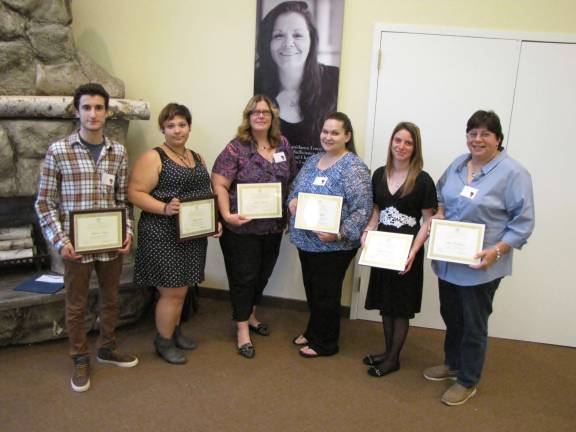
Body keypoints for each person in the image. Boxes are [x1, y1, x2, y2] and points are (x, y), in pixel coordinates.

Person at [423, 110, 535, 406]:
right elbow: (440, 195)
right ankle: (453, 363)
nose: (477, 139)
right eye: (472, 133)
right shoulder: (458, 164)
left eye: (485, 134)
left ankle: (468, 379)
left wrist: (496, 251)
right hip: (448, 260)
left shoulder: (514, 173)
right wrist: (441, 213)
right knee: (452, 315)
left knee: (474, 323)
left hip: (480, 265)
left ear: (498, 138)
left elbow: (523, 223)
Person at [35, 83, 138, 393]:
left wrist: (127, 232)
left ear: (106, 112)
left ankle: (107, 347)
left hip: (110, 245)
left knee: (111, 300)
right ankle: (79, 356)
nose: (93, 114)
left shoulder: (117, 151)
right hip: (74, 247)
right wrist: (59, 241)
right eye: (87, 108)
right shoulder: (59, 151)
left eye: (99, 108)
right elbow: (44, 203)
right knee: (76, 305)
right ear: (77, 111)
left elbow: (122, 200)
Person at [128, 103, 221, 365]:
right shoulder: (153, 157)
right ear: (162, 129)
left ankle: (174, 331)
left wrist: (213, 222)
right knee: (172, 292)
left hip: (191, 235)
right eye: (170, 125)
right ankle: (163, 340)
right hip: (161, 233)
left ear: (189, 126)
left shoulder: (197, 157)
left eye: (182, 124)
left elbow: (204, 196)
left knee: (183, 289)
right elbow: (134, 193)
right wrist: (164, 208)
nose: (177, 130)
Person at [212, 94, 297, 359]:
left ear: (273, 117)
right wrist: (226, 215)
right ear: (248, 117)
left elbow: (292, 179)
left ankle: (250, 315)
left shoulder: (283, 144)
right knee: (244, 279)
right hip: (241, 229)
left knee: (262, 275)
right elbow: (220, 184)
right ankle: (241, 330)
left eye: (266, 112)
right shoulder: (236, 148)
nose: (260, 116)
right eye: (255, 112)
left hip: (272, 228)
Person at [288, 112, 372, 357]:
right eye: (325, 131)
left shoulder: (354, 167)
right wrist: (292, 202)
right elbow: (294, 190)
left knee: (327, 294)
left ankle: (326, 343)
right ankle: (314, 330)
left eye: (335, 132)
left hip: (334, 246)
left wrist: (339, 234)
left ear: (347, 136)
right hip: (307, 242)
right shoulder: (313, 160)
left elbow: (362, 210)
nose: (328, 136)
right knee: (313, 290)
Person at [362, 122, 437, 377]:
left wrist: (414, 252)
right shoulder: (379, 174)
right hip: (382, 249)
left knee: (400, 307)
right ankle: (387, 351)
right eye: (397, 140)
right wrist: (368, 232)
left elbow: (428, 221)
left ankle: (393, 359)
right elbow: (376, 210)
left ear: (415, 147)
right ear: (391, 142)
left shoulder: (423, 180)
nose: (401, 146)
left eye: (408, 142)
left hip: (407, 252)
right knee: (386, 303)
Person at [254, 1, 339, 168]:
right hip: (271, 188)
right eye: (278, 35)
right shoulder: (256, 85)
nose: (288, 43)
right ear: (267, 43)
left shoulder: (333, 79)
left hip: (318, 189)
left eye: (298, 35)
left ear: (311, 41)